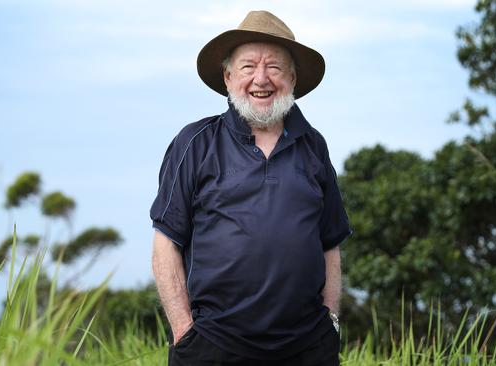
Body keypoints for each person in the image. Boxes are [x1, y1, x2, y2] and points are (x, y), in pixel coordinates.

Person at [150, 10, 351, 366]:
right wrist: (184, 331)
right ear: (228, 77)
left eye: (274, 66)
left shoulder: (314, 146)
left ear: (292, 77)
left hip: (307, 349)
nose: (262, 78)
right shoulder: (195, 143)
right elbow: (166, 243)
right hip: (213, 347)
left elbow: (329, 244)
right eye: (247, 67)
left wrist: (330, 321)